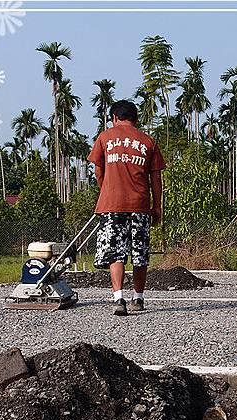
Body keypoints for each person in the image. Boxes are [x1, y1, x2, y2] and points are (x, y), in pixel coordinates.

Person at [88, 100, 166, 316]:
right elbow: (156, 179)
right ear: (136, 119)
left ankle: (118, 298)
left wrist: (107, 190)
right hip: (140, 206)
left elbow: (98, 170)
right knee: (140, 253)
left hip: (112, 205)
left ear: (114, 117)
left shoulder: (105, 138)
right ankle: (138, 298)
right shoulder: (148, 141)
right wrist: (157, 207)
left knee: (116, 253)